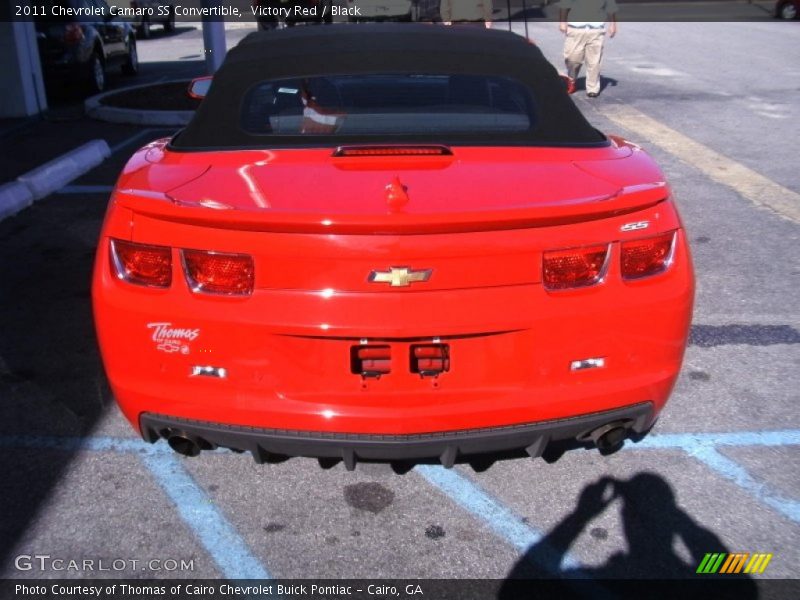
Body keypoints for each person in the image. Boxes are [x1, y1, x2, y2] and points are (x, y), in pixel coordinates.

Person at [559, 0, 618, 98]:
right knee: (572, 59)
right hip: (575, 29)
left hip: (596, 30)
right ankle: (571, 79)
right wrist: (562, 22)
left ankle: (592, 88)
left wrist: (613, 24)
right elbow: (564, 5)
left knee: (594, 61)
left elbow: (610, 6)